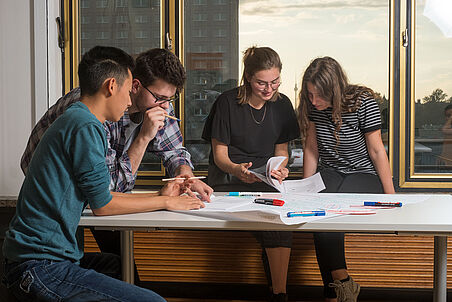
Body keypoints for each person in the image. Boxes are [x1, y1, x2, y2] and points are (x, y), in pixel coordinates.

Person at [2, 46, 205, 301]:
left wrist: (167, 187)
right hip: (39, 264)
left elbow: (105, 193)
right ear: (114, 86)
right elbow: (104, 202)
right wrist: (166, 200)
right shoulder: (86, 124)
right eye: (128, 90)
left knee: (117, 266)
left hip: (51, 252)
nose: (130, 101)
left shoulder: (87, 118)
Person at [202, 46, 300, 302]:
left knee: (279, 218)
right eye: (261, 83)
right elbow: (220, 156)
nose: (269, 89)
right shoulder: (227, 102)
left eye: (275, 82)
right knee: (271, 219)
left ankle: (279, 293)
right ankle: (278, 293)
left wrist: (280, 168)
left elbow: (282, 152)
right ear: (247, 77)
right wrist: (237, 169)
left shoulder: (283, 104)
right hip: (229, 178)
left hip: (265, 180)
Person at [298, 56, 395, 302]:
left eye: (319, 96)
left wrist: (392, 197)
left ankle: (337, 288)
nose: (314, 101)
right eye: (309, 95)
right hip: (330, 173)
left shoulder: (363, 101)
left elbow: (376, 150)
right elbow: (311, 148)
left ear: (335, 89)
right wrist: (304, 189)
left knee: (334, 208)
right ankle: (340, 287)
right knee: (316, 211)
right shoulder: (312, 106)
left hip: (364, 175)